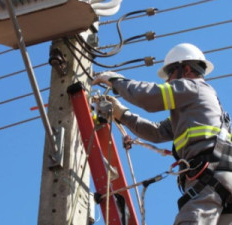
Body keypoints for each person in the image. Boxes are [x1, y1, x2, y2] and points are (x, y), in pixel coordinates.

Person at [92, 43, 232, 225]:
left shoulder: (193, 87)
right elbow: (156, 132)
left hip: (208, 179)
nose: (168, 82)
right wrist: (123, 114)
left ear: (186, 69)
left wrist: (117, 81)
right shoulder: (194, 110)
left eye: (170, 75)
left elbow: (149, 97)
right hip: (220, 181)